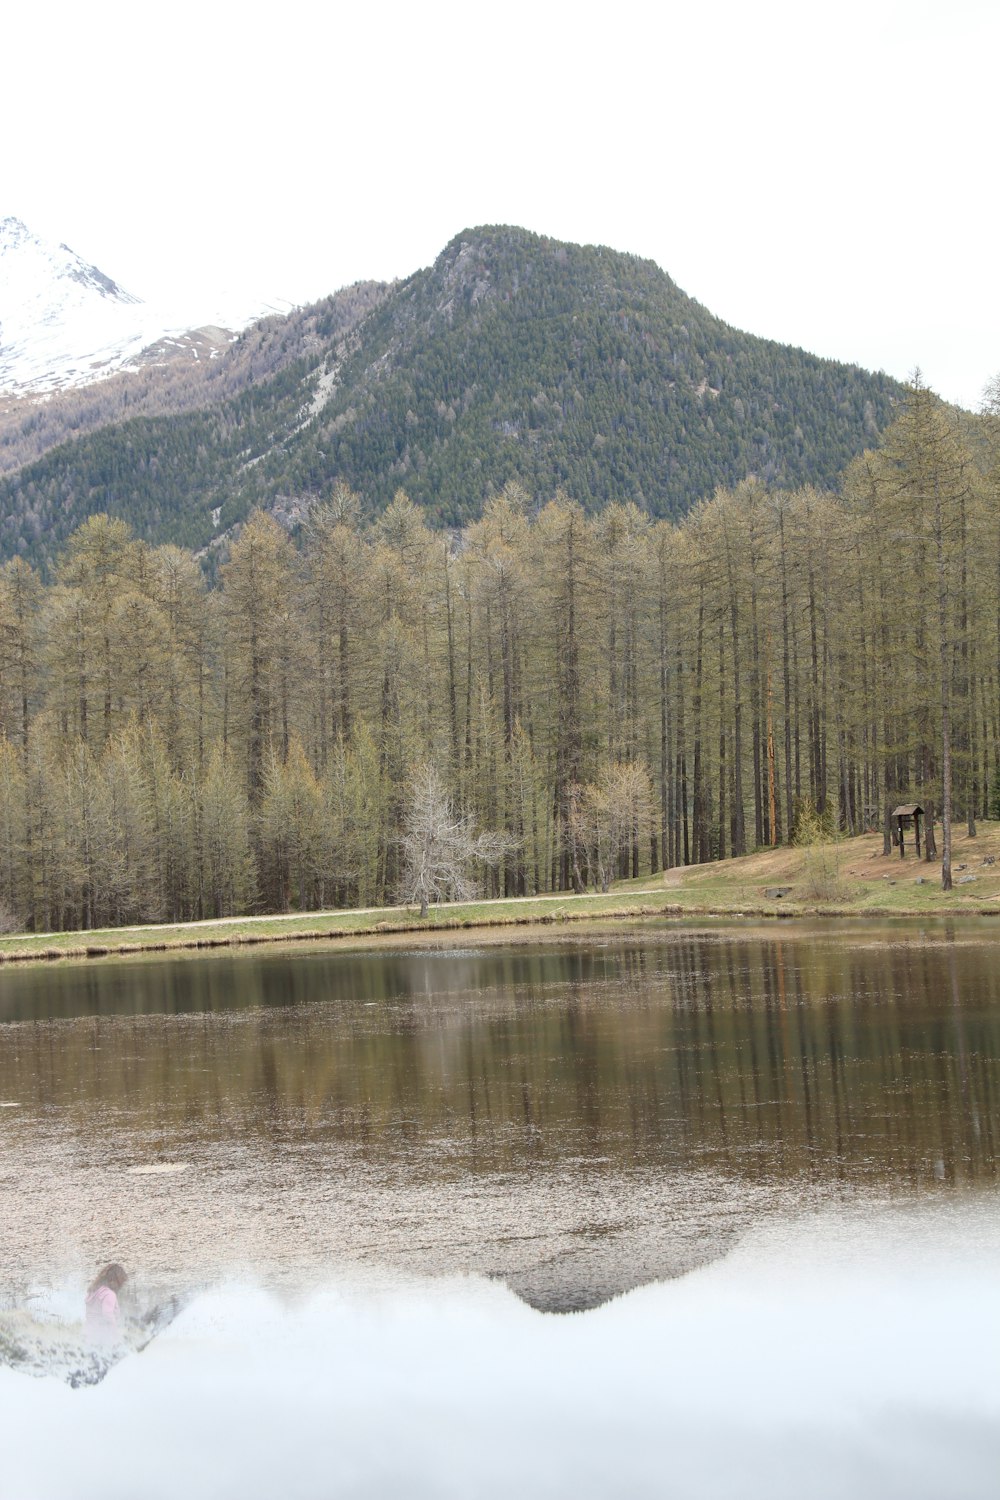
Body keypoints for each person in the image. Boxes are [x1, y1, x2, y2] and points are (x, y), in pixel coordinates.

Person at [85, 1263, 128, 1345]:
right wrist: (115, 1335)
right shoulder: (109, 1294)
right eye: (122, 1282)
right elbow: (108, 1315)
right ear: (117, 1281)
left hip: (89, 1334)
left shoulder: (94, 1291)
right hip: (103, 1337)